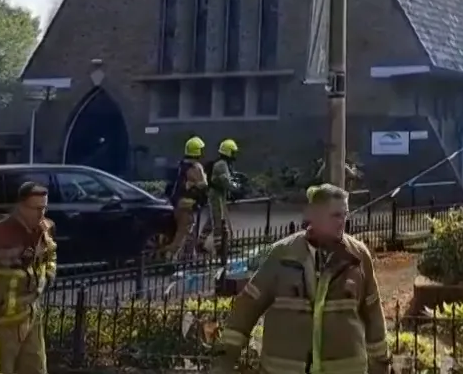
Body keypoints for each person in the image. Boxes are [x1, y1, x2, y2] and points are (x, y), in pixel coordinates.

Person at [212, 184, 389, 374]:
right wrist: (225, 361)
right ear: (315, 216)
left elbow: (374, 315)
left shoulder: (358, 256)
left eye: (345, 214)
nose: (343, 221)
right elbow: (247, 308)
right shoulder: (282, 255)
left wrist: (381, 364)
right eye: (336, 215)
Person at [0, 182, 58, 374]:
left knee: (35, 368)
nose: (41, 214)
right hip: (1, 324)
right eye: (36, 208)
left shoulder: (44, 230)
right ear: (22, 206)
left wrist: (48, 274)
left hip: (31, 318)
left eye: (44, 207)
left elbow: (50, 255)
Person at [165, 136, 209, 259]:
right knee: (182, 233)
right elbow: (203, 185)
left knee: (189, 232)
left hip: (177, 204)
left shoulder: (181, 165)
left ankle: (189, 257)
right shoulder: (195, 168)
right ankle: (169, 259)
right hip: (187, 205)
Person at [205, 138, 241, 256]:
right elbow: (225, 181)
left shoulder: (224, 164)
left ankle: (200, 242)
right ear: (228, 152)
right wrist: (237, 188)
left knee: (213, 220)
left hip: (219, 195)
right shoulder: (221, 165)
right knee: (218, 222)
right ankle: (220, 248)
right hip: (216, 195)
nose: (235, 155)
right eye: (233, 152)